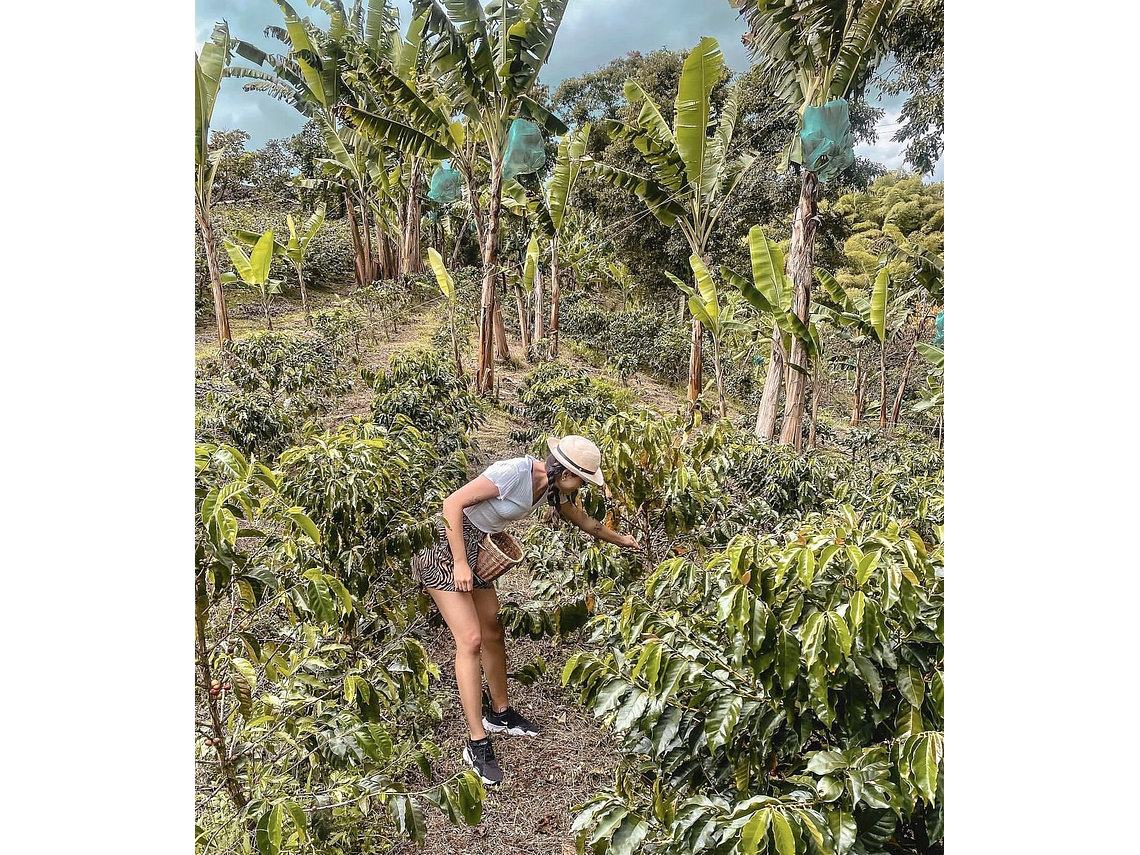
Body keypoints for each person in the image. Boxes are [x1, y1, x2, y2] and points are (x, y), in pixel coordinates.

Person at [411, 434, 641, 784]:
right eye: (581, 479)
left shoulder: (553, 490)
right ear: (565, 472)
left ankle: (500, 713)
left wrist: (623, 540)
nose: (581, 488)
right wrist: (459, 562)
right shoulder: (514, 473)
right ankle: (476, 741)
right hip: (446, 545)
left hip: (479, 550)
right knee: (470, 639)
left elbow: (586, 522)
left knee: (493, 630)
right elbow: (452, 504)